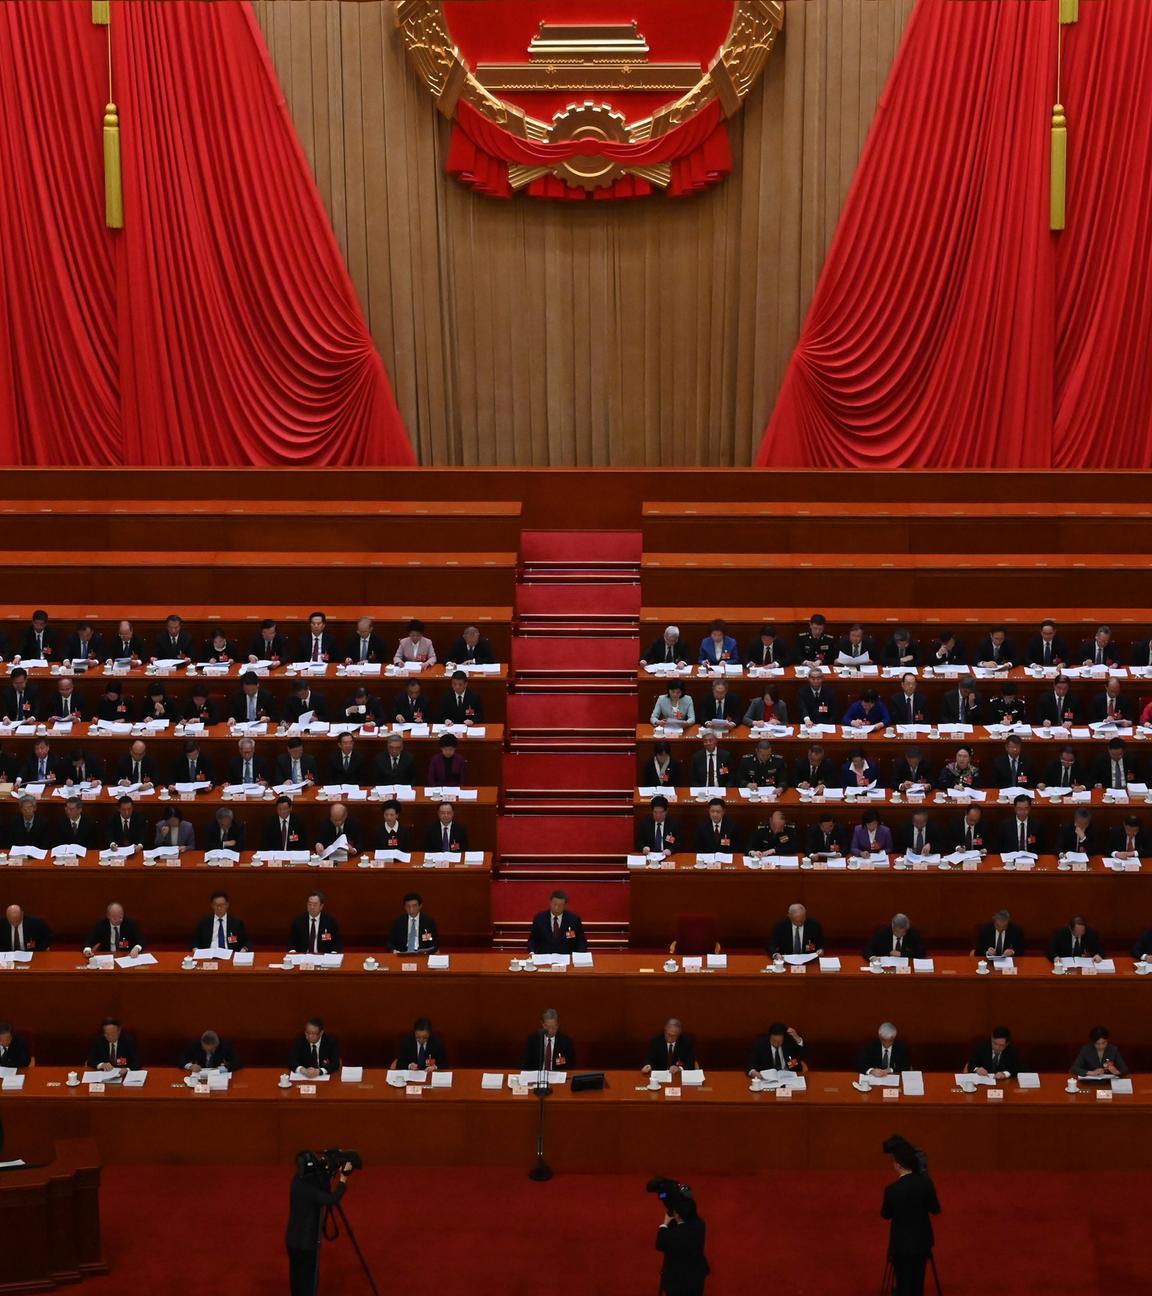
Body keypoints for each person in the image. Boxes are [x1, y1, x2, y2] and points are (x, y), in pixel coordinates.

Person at [881, 1138, 940, 1296]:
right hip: (922, 1242)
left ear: (898, 1165)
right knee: (917, 1282)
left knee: (903, 1282)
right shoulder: (926, 1184)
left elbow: (885, 1215)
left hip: (900, 1245)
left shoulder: (891, 1190)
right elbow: (935, 1209)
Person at [286, 1153, 350, 1296]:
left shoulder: (297, 1180)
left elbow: (318, 1181)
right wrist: (343, 1179)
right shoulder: (310, 1190)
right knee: (309, 1282)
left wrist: (329, 1171)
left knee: (296, 1278)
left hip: (292, 1240)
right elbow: (332, 1199)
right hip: (307, 1243)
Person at [656, 1190, 710, 1296]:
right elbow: (693, 1215)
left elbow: (659, 1244)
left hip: (676, 1282)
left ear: (677, 1215)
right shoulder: (700, 1225)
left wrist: (664, 1224)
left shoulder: (671, 1235)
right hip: (696, 1278)